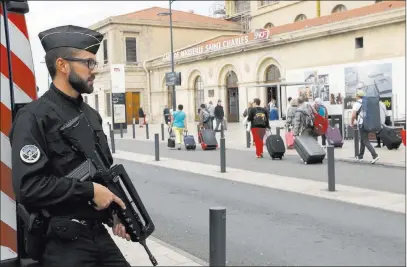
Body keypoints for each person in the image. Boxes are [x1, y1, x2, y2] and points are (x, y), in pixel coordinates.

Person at [8, 25, 131, 267]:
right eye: (89, 63)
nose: (94, 70)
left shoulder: (91, 116)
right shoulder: (33, 117)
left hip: (97, 233)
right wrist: (90, 191)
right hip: (62, 240)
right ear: (63, 66)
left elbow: (102, 173)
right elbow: (28, 188)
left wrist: (115, 215)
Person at [351, 90, 379, 163]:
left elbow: (353, 115)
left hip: (361, 124)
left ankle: (375, 155)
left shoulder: (357, 103)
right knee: (363, 140)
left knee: (365, 140)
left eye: (356, 95)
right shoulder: (365, 103)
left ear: (357, 96)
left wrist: (351, 123)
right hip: (367, 123)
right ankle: (360, 156)